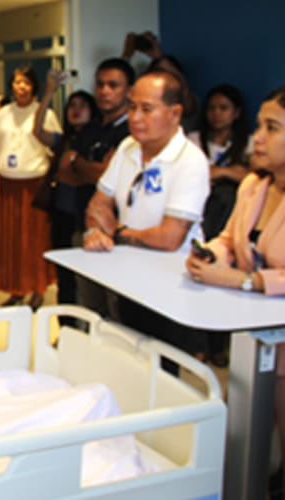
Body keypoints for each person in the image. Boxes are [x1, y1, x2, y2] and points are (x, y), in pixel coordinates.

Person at [184, 86, 285, 484]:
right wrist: (208, 256)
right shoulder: (254, 187)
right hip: (254, 337)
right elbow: (229, 240)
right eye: (258, 126)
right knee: (237, 434)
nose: (257, 137)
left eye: (272, 128)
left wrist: (246, 281)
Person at [84, 71, 210, 358]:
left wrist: (117, 233)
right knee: (130, 359)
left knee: (163, 368)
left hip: (171, 284)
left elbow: (169, 238)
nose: (136, 118)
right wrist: (95, 231)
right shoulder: (128, 148)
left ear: (175, 113)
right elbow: (98, 203)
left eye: (147, 109)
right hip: (128, 275)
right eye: (132, 107)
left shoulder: (190, 161)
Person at [59, 57, 135, 318]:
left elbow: (104, 175)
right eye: (100, 84)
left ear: (129, 90)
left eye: (113, 85)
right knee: (91, 305)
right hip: (84, 223)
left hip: (116, 232)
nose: (104, 91)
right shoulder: (90, 128)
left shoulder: (131, 132)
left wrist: (79, 164)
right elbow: (65, 172)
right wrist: (91, 169)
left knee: (118, 306)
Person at [0, 66, 61, 310]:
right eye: (17, 82)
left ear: (34, 87)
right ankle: (15, 289)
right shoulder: (3, 113)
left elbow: (54, 149)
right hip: (7, 183)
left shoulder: (45, 113)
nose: (21, 87)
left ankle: (37, 290)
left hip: (34, 183)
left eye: (27, 83)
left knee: (34, 240)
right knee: (11, 240)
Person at [32, 69, 100, 309]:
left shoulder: (98, 142)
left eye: (83, 106)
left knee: (87, 278)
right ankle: (66, 323)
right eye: (72, 105)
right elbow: (37, 131)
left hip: (85, 217)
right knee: (64, 275)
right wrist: (50, 92)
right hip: (61, 214)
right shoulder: (64, 141)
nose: (76, 110)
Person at [188, 84, 252, 240]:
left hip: (230, 204)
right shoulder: (193, 140)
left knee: (225, 194)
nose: (216, 113)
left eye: (223, 108)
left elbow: (255, 177)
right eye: (211, 108)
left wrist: (223, 172)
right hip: (197, 198)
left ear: (236, 113)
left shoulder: (250, 143)